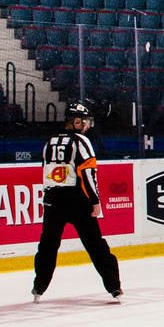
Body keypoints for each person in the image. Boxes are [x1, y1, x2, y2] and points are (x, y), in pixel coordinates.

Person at [32, 103, 121, 303]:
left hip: (53, 200)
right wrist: (95, 200)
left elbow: (45, 170)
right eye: (86, 121)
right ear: (77, 121)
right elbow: (87, 173)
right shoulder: (81, 141)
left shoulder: (50, 142)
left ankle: (39, 286)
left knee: (48, 245)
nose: (88, 126)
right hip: (77, 200)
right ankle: (114, 286)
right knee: (95, 245)